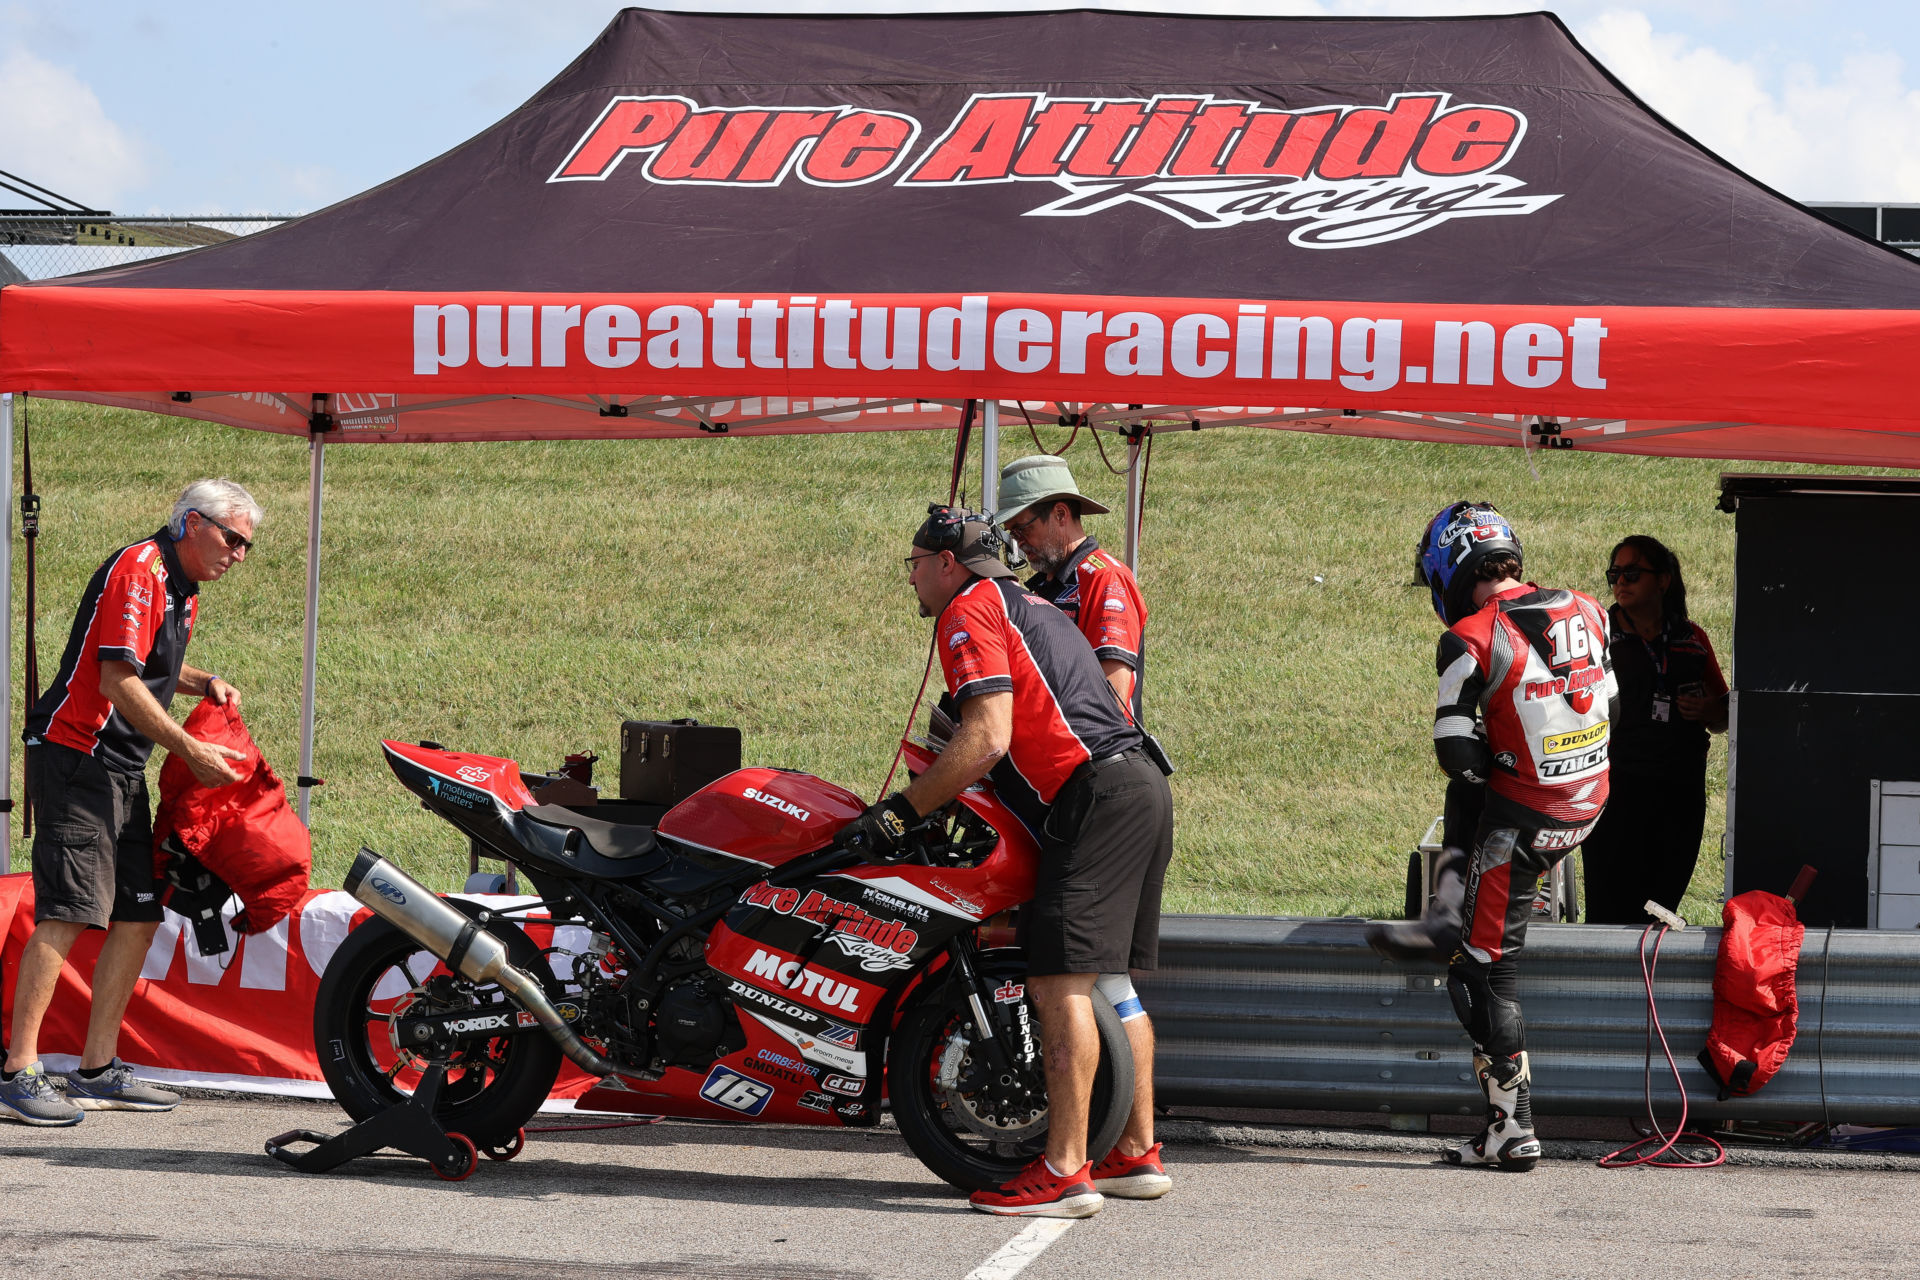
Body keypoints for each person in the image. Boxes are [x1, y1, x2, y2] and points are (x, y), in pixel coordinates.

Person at [838, 505, 1174, 1218]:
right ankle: (1132, 1154)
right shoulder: (1028, 601)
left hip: (1096, 794)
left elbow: (986, 737)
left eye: (915, 565)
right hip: (1138, 784)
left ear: (947, 563)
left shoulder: (968, 609)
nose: (912, 581)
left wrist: (901, 812)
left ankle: (1062, 1172)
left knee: (1056, 983)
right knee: (1105, 982)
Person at [0, 480, 260, 1127]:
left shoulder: (182, 588)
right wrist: (187, 749)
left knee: (139, 916)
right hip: (77, 756)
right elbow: (117, 678)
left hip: (121, 768)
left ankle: (97, 1069)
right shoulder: (140, 569)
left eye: (248, 545)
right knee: (67, 912)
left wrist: (202, 679)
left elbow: (147, 663)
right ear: (191, 525)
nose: (240, 554)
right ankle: (17, 1072)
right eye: (233, 538)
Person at [1366, 501, 1616, 1171]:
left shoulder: (1470, 636)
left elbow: (1457, 755)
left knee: (1480, 975)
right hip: (1589, 804)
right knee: (1485, 939)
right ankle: (1449, 909)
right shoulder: (1589, 608)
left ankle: (1511, 1129)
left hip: (1525, 827)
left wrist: (1497, 754)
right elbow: (1611, 703)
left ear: (1448, 568)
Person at [1580, 536, 1728, 925]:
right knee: (1608, 907)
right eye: (1614, 574)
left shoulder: (1692, 639)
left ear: (1663, 581)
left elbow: (1724, 715)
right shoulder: (1597, 637)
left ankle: (1649, 982)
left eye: (1632, 573)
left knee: (1661, 909)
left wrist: (1710, 708)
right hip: (1616, 791)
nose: (1620, 582)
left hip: (1679, 793)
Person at [992, 455, 1147, 722]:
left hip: (1098, 755)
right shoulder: (1043, 586)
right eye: (1011, 534)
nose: (1018, 543)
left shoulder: (1106, 579)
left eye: (1021, 529)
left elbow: (1112, 698)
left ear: (1060, 514)